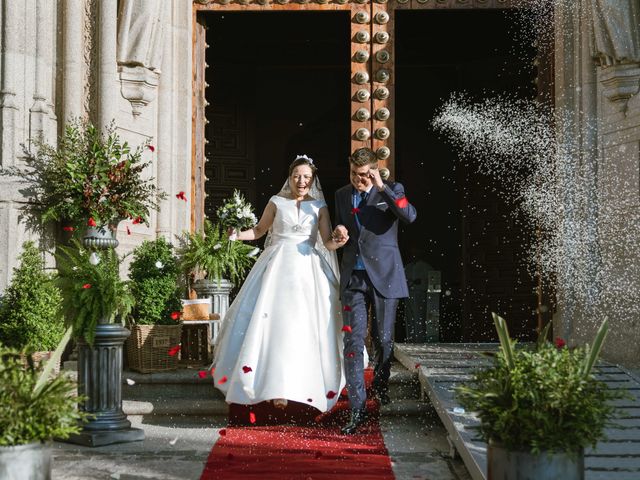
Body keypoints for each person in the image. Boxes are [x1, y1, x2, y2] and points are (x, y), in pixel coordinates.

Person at [211, 155, 349, 413]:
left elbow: (326, 241)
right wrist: (236, 235)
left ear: (312, 179)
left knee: (304, 324)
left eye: (306, 176)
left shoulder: (319, 206)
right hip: (277, 266)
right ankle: (273, 385)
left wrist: (338, 242)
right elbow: (260, 230)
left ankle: (303, 384)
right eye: (297, 175)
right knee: (274, 321)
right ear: (290, 176)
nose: (301, 181)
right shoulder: (276, 202)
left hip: (308, 268)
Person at [333, 147, 417, 435]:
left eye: (365, 175)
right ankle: (357, 407)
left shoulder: (393, 189)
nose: (359, 181)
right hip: (353, 278)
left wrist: (382, 188)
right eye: (355, 175)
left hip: (385, 276)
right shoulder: (342, 194)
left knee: (383, 339)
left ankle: (381, 386)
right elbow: (341, 226)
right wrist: (339, 232)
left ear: (375, 169)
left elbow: (409, 215)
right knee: (353, 342)